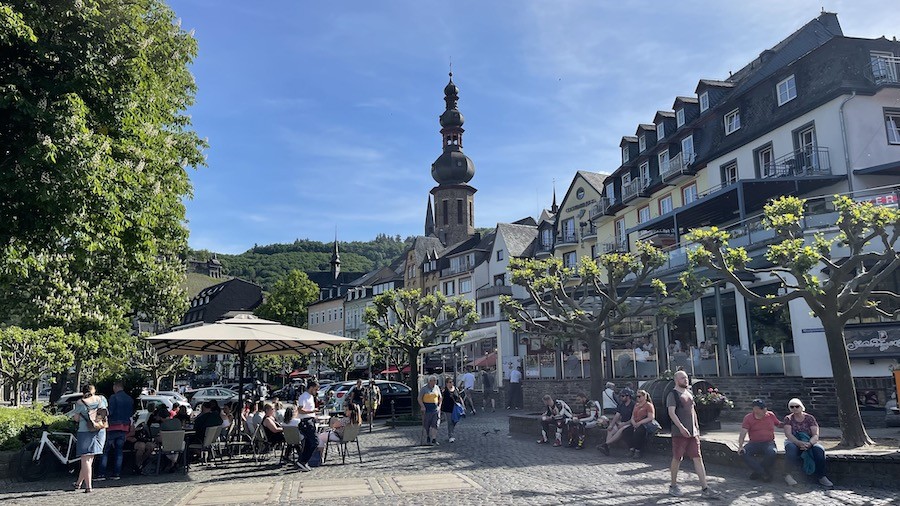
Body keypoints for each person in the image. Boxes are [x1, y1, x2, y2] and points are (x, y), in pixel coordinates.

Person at [666, 370, 720, 498]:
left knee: (698, 457)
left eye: (686, 378)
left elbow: (693, 411)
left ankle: (705, 488)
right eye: (682, 378)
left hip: (693, 433)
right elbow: (671, 413)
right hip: (679, 433)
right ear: (676, 380)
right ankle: (673, 485)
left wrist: (696, 427)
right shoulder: (672, 395)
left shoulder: (689, 393)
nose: (685, 380)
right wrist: (681, 427)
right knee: (677, 458)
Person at [783, 398, 833, 487]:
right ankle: (788, 474)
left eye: (797, 406)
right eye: (792, 407)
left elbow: (815, 434)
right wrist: (798, 443)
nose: (795, 408)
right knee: (791, 449)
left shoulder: (810, 418)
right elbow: (788, 434)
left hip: (809, 440)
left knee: (819, 450)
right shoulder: (788, 419)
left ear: (801, 407)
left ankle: (821, 476)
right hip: (794, 441)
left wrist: (809, 444)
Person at [72, 384, 108, 492]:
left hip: (85, 431)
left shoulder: (80, 402)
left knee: (85, 459)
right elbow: (105, 412)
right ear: (94, 390)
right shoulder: (101, 399)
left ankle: (88, 487)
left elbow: (76, 419)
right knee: (90, 459)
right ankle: (78, 483)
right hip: (100, 429)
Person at [737, 399, 782, 482]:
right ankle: (763, 472)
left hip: (769, 442)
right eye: (761, 408)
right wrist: (740, 446)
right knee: (744, 453)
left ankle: (758, 472)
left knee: (772, 452)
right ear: (755, 409)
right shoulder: (748, 418)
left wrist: (788, 422)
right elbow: (743, 432)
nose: (764, 410)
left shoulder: (770, 415)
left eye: (764, 408)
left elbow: (779, 424)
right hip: (754, 443)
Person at [98, 381, 133, 481]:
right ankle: (116, 473)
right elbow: (130, 414)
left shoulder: (113, 397)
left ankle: (101, 474)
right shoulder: (129, 398)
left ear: (116, 387)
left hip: (112, 426)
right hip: (124, 427)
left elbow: (110, 412)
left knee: (105, 450)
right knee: (119, 451)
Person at [598, 388, 635, 455]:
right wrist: (611, 425)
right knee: (610, 430)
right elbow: (617, 416)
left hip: (630, 424)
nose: (621, 397)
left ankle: (605, 444)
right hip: (622, 423)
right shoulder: (621, 405)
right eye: (621, 396)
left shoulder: (633, 405)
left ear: (628, 396)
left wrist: (624, 424)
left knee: (622, 429)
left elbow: (634, 418)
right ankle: (607, 448)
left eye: (623, 396)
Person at [295, 381, 320, 472]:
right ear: (311, 387)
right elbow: (300, 410)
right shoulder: (304, 397)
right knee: (315, 442)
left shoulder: (311, 397)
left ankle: (302, 461)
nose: (317, 391)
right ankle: (303, 460)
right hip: (306, 422)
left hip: (310, 420)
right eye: (316, 389)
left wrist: (313, 415)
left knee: (309, 442)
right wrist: (312, 412)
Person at [626, 390, 656, 459]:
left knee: (638, 432)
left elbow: (651, 417)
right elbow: (632, 416)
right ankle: (631, 448)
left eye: (639, 396)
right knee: (626, 431)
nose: (637, 398)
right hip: (636, 423)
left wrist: (640, 423)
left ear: (644, 397)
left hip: (645, 424)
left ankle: (638, 450)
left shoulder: (648, 405)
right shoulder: (636, 405)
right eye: (636, 396)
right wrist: (633, 423)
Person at [419, 375, 442, 446]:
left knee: (435, 424)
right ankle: (428, 438)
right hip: (427, 408)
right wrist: (422, 406)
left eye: (435, 381)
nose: (435, 382)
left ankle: (434, 439)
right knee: (427, 424)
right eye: (433, 381)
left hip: (435, 409)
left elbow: (440, 397)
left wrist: (439, 406)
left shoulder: (437, 388)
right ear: (429, 381)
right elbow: (419, 398)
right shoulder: (424, 388)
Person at [440, 377, 463, 443]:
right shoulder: (444, 390)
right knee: (450, 422)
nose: (451, 383)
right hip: (447, 408)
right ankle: (450, 435)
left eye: (452, 382)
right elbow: (441, 398)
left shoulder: (456, 389)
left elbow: (459, 397)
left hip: (455, 408)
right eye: (450, 382)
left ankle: (451, 432)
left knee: (455, 421)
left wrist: (463, 405)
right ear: (446, 383)